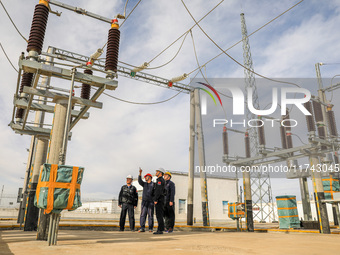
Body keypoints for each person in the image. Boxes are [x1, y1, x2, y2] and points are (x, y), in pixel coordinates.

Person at [138, 168, 154, 232]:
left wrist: (155, 200)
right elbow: (139, 181)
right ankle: (142, 227)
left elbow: (155, 193)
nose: (145, 178)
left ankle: (150, 228)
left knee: (150, 215)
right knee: (143, 215)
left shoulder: (154, 184)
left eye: (146, 177)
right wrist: (140, 173)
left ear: (149, 177)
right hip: (144, 202)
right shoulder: (144, 184)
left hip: (151, 202)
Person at [152, 168, 165, 234]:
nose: (156, 172)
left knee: (159, 215)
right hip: (161, 199)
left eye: (157, 171)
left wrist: (156, 199)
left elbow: (158, 191)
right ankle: (161, 228)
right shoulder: (161, 180)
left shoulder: (160, 180)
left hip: (159, 200)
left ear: (160, 173)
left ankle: (160, 230)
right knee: (159, 215)